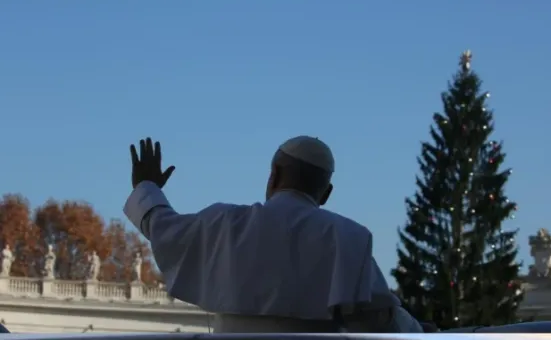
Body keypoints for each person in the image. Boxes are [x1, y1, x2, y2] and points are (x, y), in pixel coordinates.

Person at [124, 136, 422, 333]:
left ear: (275, 174)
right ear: (326, 193)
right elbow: (383, 320)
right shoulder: (350, 238)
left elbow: (160, 226)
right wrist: (421, 330)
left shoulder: (223, 223)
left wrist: (146, 186)